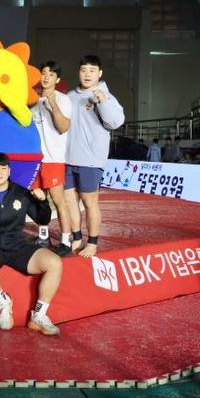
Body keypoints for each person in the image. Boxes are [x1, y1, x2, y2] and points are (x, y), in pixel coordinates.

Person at [0, 152, 62, 336]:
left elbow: (43, 219)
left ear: (9, 171)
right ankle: (4, 302)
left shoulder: (21, 193)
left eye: (3, 168)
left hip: (18, 245)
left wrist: (42, 202)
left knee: (55, 263)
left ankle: (39, 315)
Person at [64, 55, 125, 258]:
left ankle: (92, 242)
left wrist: (103, 102)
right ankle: (76, 238)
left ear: (100, 73)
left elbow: (115, 122)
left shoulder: (106, 96)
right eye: (83, 70)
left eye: (92, 70)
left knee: (89, 202)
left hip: (90, 160)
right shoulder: (70, 96)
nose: (87, 74)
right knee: (70, 201)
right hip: (67, 158)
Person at [30, 61, 72, 257]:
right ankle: (43, 236)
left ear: (58, 79)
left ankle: (65, 241)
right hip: (34, 159)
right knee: (38, 200)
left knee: (58, 200)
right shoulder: (32, 99)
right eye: (44, 73)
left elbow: (63, 127)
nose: (46, 77)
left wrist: (53, 105)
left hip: (53, 158)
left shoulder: (63, 99)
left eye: (51, 74)